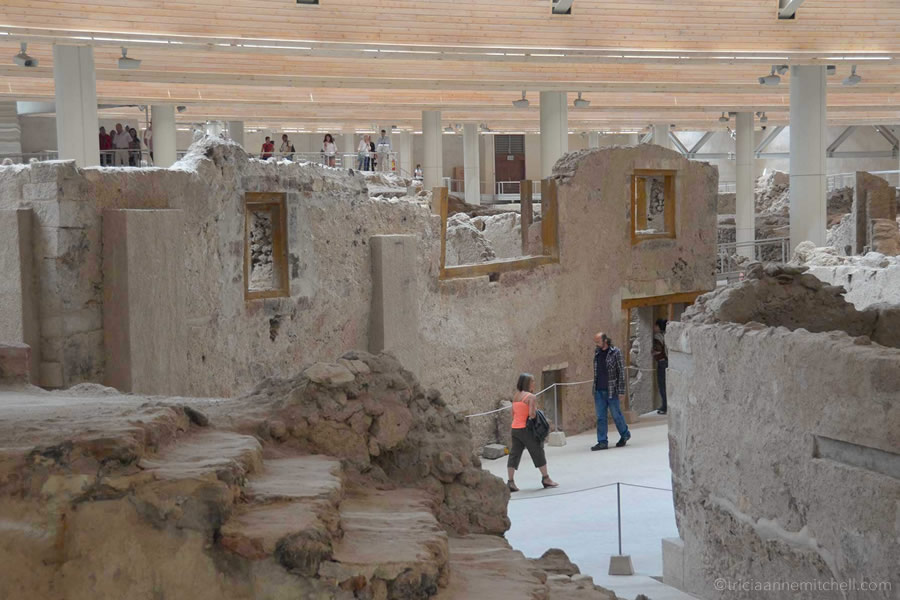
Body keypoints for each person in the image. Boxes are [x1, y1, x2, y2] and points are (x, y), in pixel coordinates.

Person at [507, 373, 559, 492]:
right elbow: (532, 414)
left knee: (514, 454)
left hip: (515, 428)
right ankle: (546, 478)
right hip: (526, 428)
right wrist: (536, 411)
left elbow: (513, 414)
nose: (534, 384)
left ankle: (510, 481)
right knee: (537, 451)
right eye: (533, 381)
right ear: (528, 383)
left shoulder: (516, 396)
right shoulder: (531, 397)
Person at [591, 332, 631, 451]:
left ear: (605, 341)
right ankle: (602, 441)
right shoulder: (597, 353)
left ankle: (625, 434)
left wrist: (621, 391)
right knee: (600, 417)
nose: (597, 344)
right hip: (599, 390)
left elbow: (621, 372)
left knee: (616, 415)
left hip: (612, 390)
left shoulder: (615, 352)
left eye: (598, 342)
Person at [652, 319, 668, 415]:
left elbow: (657, 350)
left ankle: (664, 406)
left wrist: (652, 352)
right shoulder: (667, 335)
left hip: (662, 362)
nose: (654, 327)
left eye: (655, 326)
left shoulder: (657, 337)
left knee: (662, 386)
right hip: (669, 362)